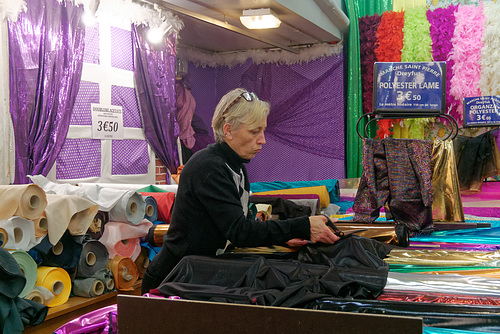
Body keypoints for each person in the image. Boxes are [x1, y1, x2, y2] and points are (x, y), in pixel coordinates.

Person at [141, 88, 339, 294]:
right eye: (255, 132)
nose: (262, 140)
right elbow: (239, 232)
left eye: (262, 131)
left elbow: (237, 224)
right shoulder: (209, 167)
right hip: (171, 279)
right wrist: (302, 226)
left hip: (198, 273)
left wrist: (282, 236)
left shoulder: (235, 166)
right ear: (228, 130)